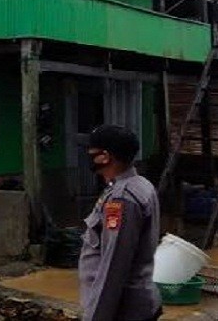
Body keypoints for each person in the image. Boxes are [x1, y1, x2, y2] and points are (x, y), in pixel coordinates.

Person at [78, 125, 162, 321]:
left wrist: (97, 317)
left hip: (125, 311)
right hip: (137, 303)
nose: (87, 154)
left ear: (104, 157)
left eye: (91, 151)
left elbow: (113, 268)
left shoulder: (122, 199)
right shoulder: (140, 185)